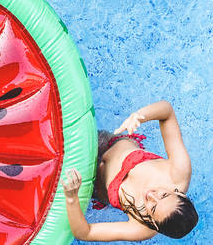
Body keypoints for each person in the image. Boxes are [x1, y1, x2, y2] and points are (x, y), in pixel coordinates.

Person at [62, 100, 197, 241]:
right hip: (107, 144)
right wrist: (139, 115)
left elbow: (85, 233)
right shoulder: (179, 171)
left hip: (93, 185)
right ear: (180, 194)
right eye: (163, 195)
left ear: (154, 224)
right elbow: (167, 111)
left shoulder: (141, 228)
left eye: (153, 208)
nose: (151, 195)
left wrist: (72, 198)